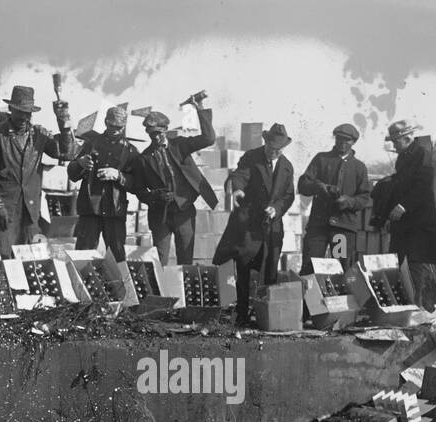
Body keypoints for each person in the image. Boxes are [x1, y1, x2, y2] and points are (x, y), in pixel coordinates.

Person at [0, 85, 75, 257]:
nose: (23, 117)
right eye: (19, 111)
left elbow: (67, 153)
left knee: (28, 264)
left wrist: (63, 122)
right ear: (11, 109)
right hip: (0, 215)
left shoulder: (38, 135)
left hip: (29, 217)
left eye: (27, 113)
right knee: (1, 262)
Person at [214, 123, 295, 326]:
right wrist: (237, 190)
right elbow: (238, 175)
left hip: (271, 226)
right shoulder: (252, 157)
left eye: (278, 149)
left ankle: (264, 315)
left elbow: (288, 196)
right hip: (248, 224)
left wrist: (276, 208)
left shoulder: (287, 167)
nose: (274, 152)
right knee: (243, 266)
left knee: (269, 271)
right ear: (265, 143)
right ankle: (241, 313)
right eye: (271, 148)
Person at [130, 95, 218, 266]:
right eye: (151, 134)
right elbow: (139, 191)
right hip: (160, 215)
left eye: (158, 133)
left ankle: (183, 292)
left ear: (165, 130)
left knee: (185, 260)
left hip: (184, 211)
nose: (155, 138)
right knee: (160, 262)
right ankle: (162, 293)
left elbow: (209, 139)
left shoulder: (180, 145)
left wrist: (199, 108)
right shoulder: (143, 159)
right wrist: (155, 196)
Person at [372, 121, 436, 310]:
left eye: (396, 142)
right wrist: (388, 216)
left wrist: (404, 206)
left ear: (406, 138)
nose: (394, 146)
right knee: (396, 262)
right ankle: (402, 307)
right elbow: (398, 187)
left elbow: (423, 185)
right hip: (403, 223)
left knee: (415, 266)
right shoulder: (403, 157)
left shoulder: (422, 154)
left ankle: (417, 309)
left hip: (419, 222)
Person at [68, 106, 141, 261]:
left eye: (119, 127)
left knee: (117, 258)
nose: (114, 130)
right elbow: (73, 175)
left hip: (114, 211)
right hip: (90, 209)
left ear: (124, 125)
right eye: (111, 126)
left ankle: (117, 286)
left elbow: (138, 184)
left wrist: (118, 175)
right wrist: (80, 163)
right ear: (105, 122)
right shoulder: (90, 144)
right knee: (83, 257)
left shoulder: (130, 150)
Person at [296, 122, 372, 272]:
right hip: (319, 227)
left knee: (341, 267)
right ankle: (310, 296)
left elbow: (364, 198)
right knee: (310, 266)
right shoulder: (321, 159)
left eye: (347, 140)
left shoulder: (359, 167)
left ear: (353, 142)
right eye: (339, 139)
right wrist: (319, 187)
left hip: (342, 229)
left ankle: (340, 296)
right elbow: (303, 184)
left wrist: (348, 202)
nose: (342, 143)